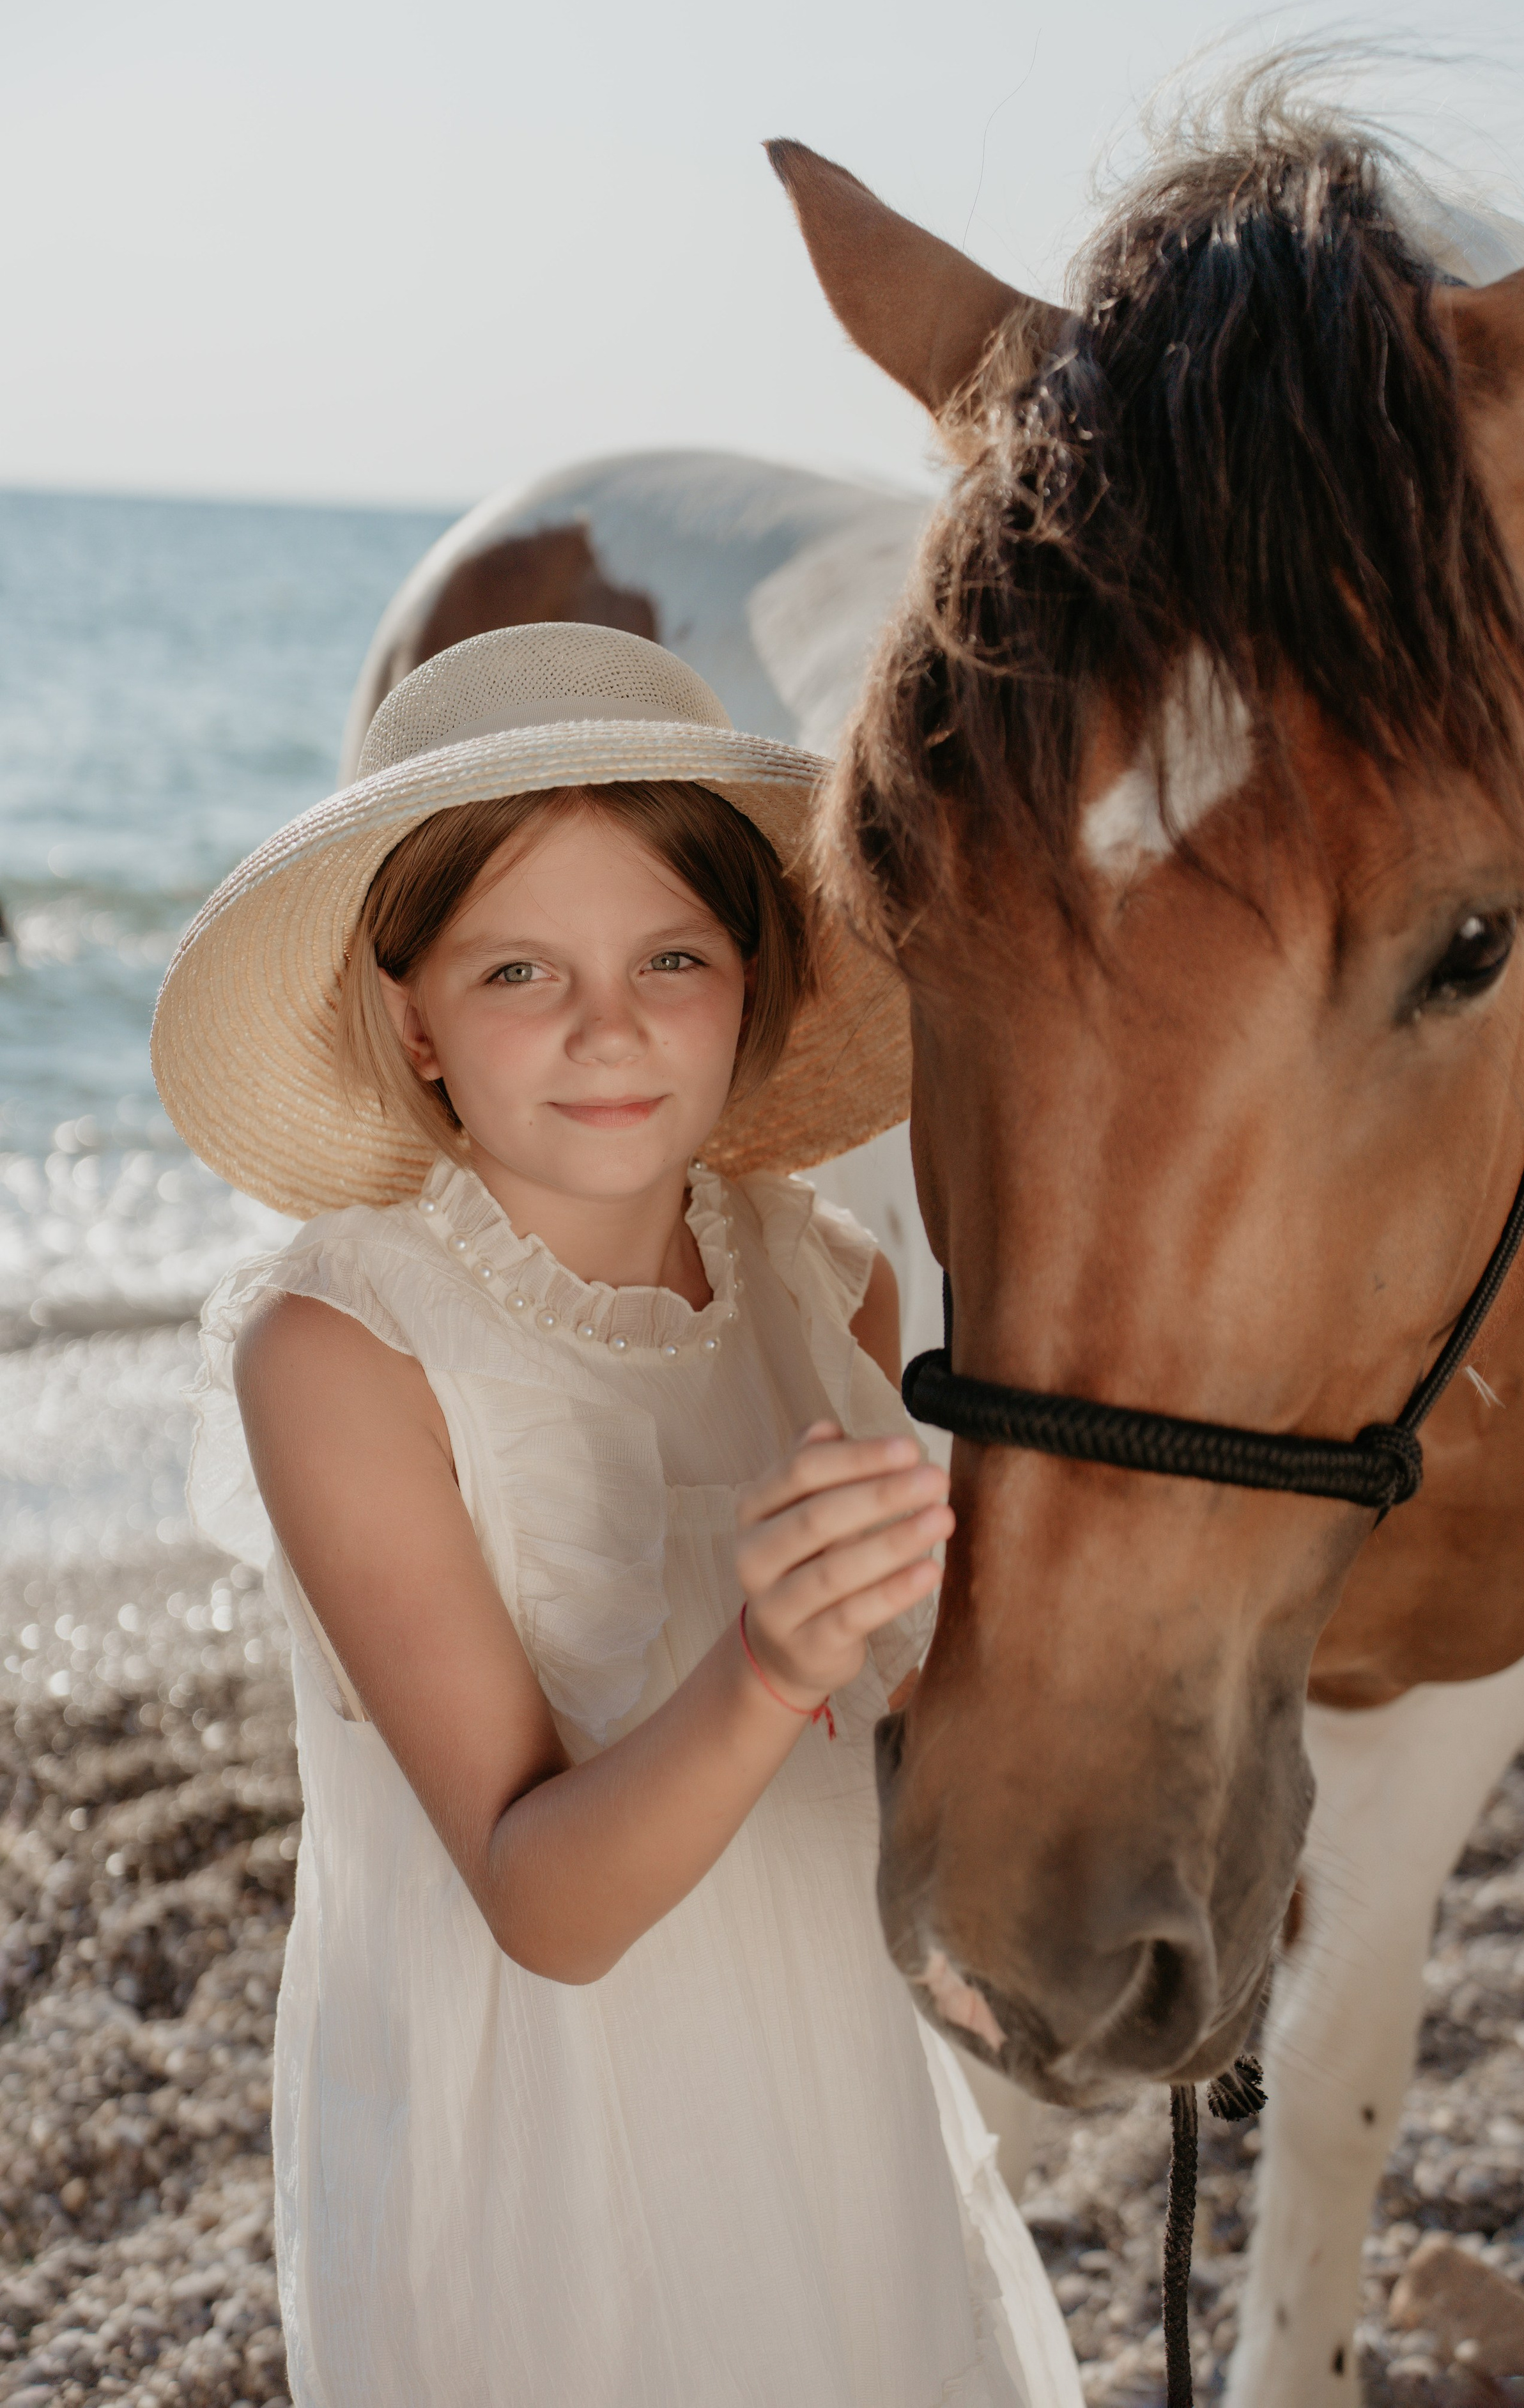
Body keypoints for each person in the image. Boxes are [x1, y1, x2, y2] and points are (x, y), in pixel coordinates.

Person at [153, 622, 1082, 2408]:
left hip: (826, 2090)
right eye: (520, 973)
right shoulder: (342, 1355)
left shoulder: (839, 1291)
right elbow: (541, 1906)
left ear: (753, 977)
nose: (609, 1027)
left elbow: (897, 1775)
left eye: (672, 954)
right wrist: (761, 1664)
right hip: (543, 2162)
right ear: (415, 1020)